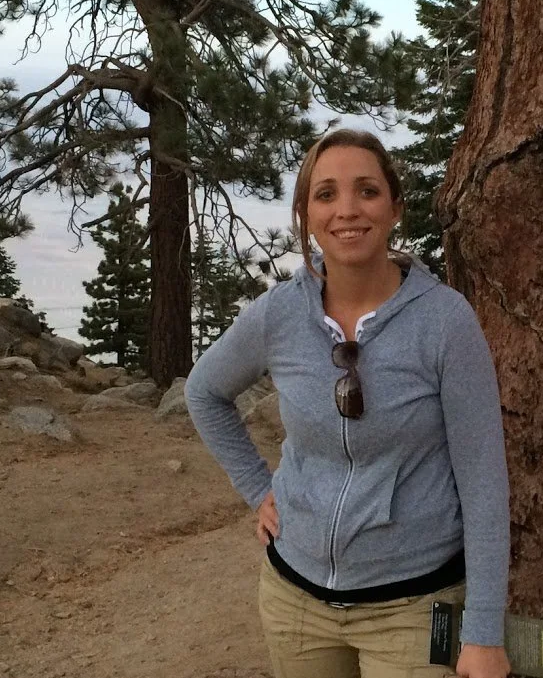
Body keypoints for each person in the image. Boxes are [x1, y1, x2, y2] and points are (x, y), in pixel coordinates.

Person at [185, 128, 511, 678]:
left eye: (367, 190)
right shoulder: (279, 314)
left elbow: (484, 480)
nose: (347, 210)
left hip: (413, 606)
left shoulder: (445, 321)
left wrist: (483, 633)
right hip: (295, 603)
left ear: (395, 207)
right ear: (306, 215)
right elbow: (204, 392)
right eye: (326, 194)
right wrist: (258, 490)